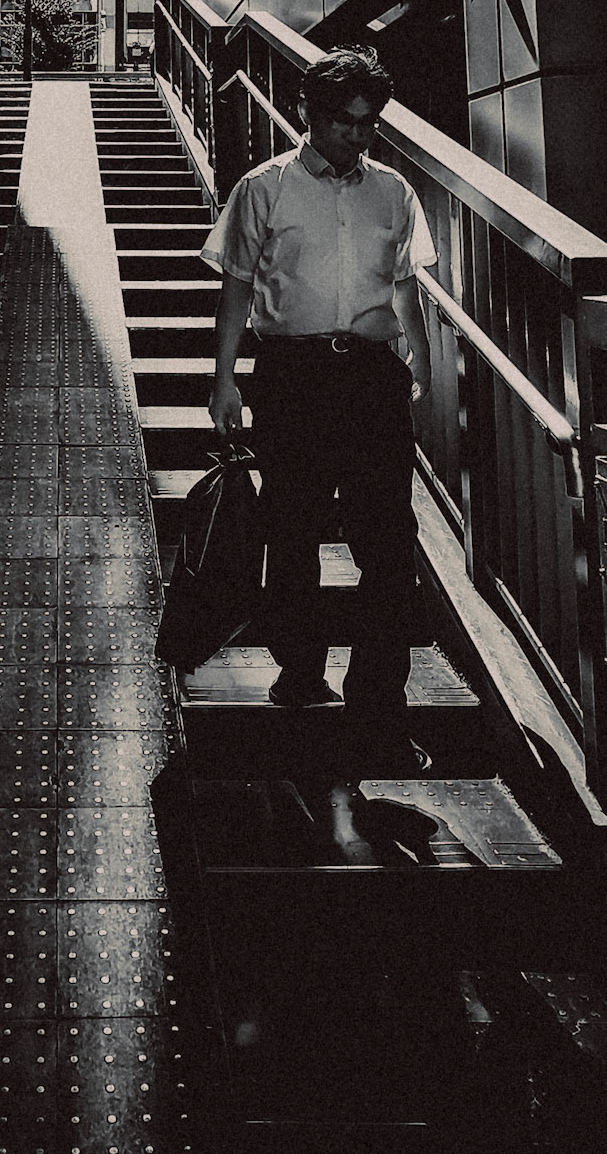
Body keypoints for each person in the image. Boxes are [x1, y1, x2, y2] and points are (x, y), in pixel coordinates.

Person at [201, 45, 436, 772]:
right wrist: (224, 381)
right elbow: (237, 286)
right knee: (294, 536)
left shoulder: (393, 191)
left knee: (389, 547)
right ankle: (300, 673)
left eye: (369, 123)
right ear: (310, 114)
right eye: (344, 122)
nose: (357, 136)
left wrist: (416, 368)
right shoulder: (263, 189)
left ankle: (377, 702)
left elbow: (403, 286)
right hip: (291, 376)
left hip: (371, 377)